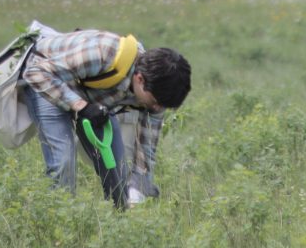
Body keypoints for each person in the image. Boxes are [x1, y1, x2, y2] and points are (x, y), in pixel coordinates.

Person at [20, 28, 191, 210]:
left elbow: (146, 151)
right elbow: (35, 72)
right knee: (63, 160)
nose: (157, 109)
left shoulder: (157, 94)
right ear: (140, 79)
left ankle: (118, 221)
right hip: (49, 78)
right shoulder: (103, 54)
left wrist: (139, 188)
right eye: (155, 102)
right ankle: (58, 218)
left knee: (117, 172)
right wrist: (81, 106)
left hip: (92, 96)